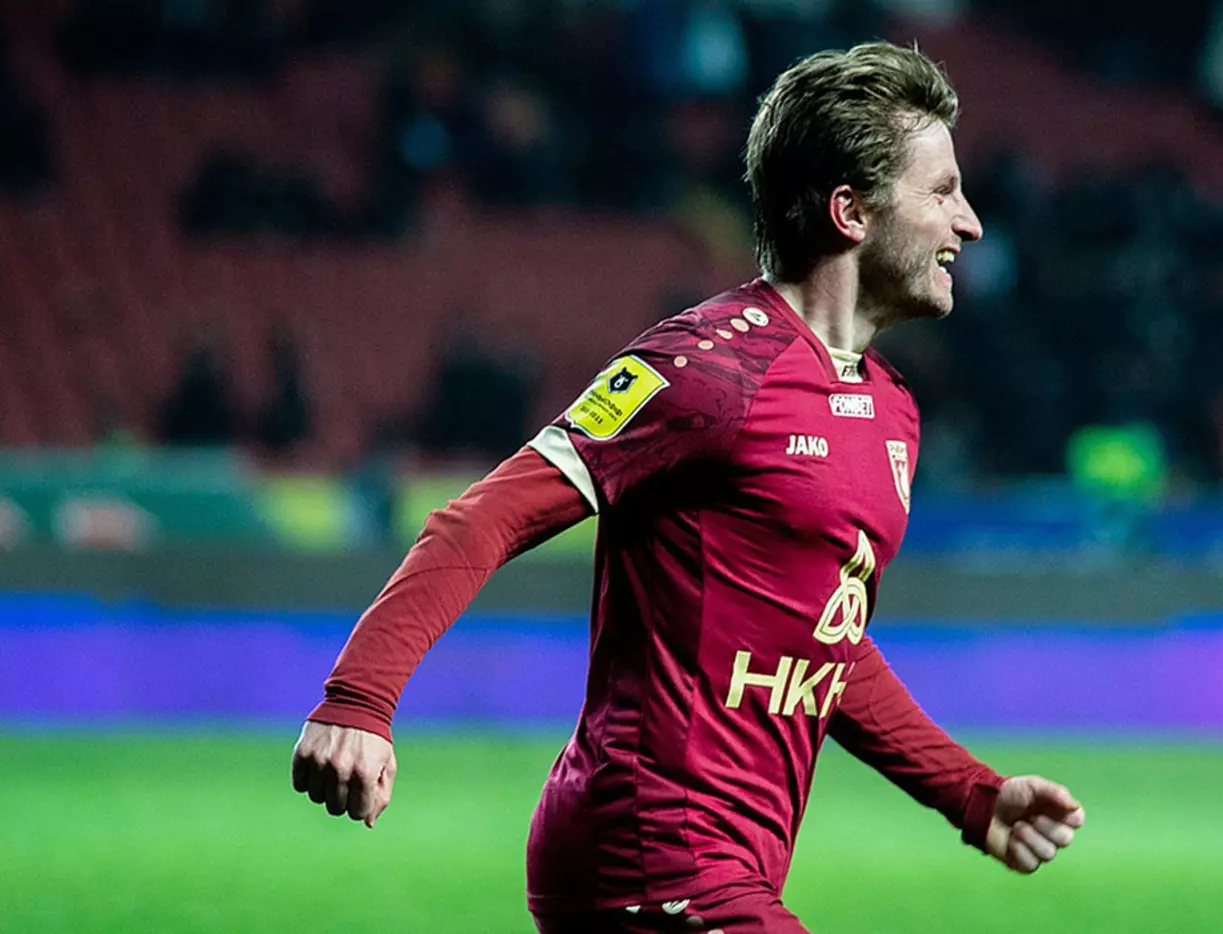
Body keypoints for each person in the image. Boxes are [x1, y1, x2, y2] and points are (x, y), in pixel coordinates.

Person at [291, 41, 1086, 933]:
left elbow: (821, 643)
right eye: (941, 192)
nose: (968, 223)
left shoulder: (891, 410)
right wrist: (360, 699)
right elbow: (483, 519)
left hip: (721, 863)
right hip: (650, 849)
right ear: (851, 211)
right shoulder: (707, 370)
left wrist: (967, 792)